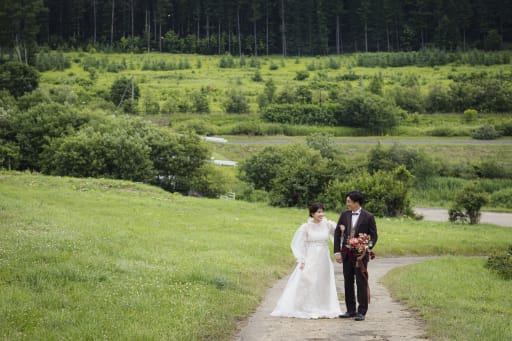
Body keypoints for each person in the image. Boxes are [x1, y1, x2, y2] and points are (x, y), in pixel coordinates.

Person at [271, 203, 342, 319]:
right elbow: (299, 244)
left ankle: (324, 306)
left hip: (324, 258)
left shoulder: (328, 225)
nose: (321, 214)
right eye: (319, 212)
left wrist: (341, 231)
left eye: (322, 211)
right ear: (312, 213)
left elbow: (338, 236)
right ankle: (309, 307)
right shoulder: (306, 227)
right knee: (310, 280)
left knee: (323, 281)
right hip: (311, 257)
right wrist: (302, 259)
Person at [334, 190, 378, 322]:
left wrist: (366, 247)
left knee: (361, 282)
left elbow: (374, 236)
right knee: (347, 281)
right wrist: (337, 251)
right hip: (346, 253)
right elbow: (337, 233)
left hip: (360, 256)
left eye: (349, 201)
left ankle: (361, 311)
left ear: (356, 202)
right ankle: (350, 310)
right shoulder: (344, 214)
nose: (347, 204)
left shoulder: (368, 216)